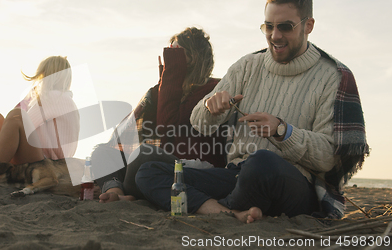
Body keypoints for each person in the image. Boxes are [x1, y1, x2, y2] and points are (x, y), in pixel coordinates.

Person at [136, 0, 369, 223]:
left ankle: (219, 205)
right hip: (236, 175)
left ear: (308, 26)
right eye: (268, 26)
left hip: (290, 183)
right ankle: (225, 212)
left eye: (285, 27)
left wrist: (282, 131)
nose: (275, 36)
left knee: (262, 163)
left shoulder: (331, 76)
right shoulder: (247, 65)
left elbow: (328, 157)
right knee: (148, 172)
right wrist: (211, 108)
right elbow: (199, 122)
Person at [94, 27, 231, 203]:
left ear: (192, 57)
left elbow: (167, 128)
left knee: (143, 154)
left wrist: (170, 77)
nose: (169, 56)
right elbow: (144, 128)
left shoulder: (212, 89)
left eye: (175, 52)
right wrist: (164, 83)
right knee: (102, 152)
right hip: (161, 161)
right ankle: (116, 193)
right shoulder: (167, 89)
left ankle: (129, 195)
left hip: (193, 166)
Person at [0, 55, 80, 180]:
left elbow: (23, 123)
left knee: (15, 116)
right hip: (45, 162)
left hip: (48, 166)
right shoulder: (65, 100)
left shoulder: (54, 97)